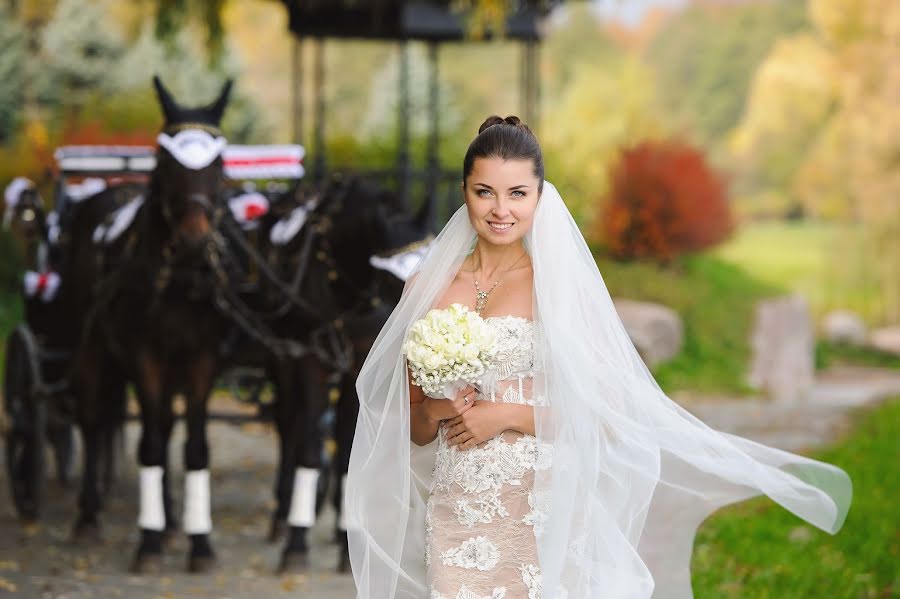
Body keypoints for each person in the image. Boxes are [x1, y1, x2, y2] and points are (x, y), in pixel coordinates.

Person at [345, 116, 851, 599]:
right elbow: (413, 426)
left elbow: (606, 416)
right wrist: (437, 410)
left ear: (540, 196)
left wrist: (504, 415)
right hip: (458, 508)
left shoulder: (562, 290)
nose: (501, 209)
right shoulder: (427, 288)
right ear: (465, 193)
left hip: (543, 507)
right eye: (486, 192)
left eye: (517, 193)